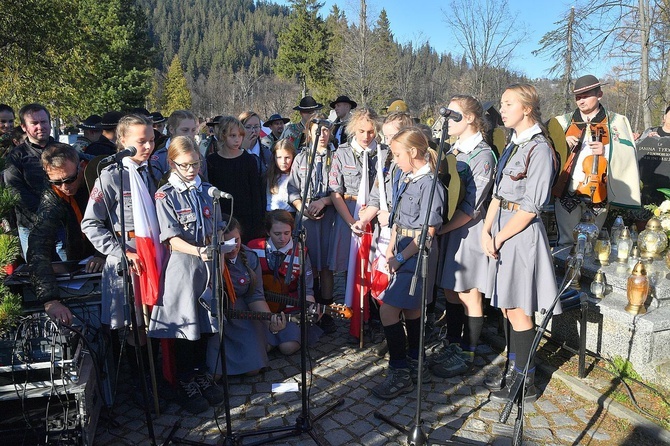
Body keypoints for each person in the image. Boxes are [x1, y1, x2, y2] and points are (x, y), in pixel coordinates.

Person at [481, 83, 558, 402]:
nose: (503, 109)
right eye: (502, 103)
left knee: (519, 309)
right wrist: (486, 230)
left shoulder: (539, 148)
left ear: (527, 108)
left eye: (508, 103)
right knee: (508, 307)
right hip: (500, 230)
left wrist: (498, 236)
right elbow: (498, 193)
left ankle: (525, 380)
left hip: (520, 234)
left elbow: (530, 207)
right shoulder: (513, 144)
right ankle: (515, 370)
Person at [81, 114, 161, 400]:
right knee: (135, 328)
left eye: (152, 140)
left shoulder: (152, 171)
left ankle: (158, 381)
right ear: (122, 141)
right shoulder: (111, 176)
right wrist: (119, 251)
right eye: (142, 141)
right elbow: (90, 223)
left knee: (154, 323)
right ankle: (141, 388)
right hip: (128, 265)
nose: (149, 146)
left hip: (154, 259)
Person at [148, 136, 224, 414]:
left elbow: (217, 224)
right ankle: (184, 381)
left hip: (208, 267)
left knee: (205, 322)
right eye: (185, 165)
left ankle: (201, 374)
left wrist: (221, 241)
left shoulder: (207, 190)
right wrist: (198, 250)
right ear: (172, 163)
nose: (192, 169)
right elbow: (170, 238)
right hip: (184, 268)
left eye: (196, 164)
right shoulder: (165, 195)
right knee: (185, 326)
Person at [370, 127, 444, 399]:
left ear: (413, 152)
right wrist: (391, 249)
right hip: (401, 249)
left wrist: (400, 258)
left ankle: (399, 371)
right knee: (412, 312)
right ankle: (416, 363)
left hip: (416, 257)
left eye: (398, 154)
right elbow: (399, 221)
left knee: (388, 312)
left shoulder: (431, 185)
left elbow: (428, 235)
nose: (395, 160)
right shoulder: (408, 178)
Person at [431, 95, 496, 379]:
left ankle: (468, 352)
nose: (447, 121)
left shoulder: (482, 155)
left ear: (470, 118)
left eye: (453, 115)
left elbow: (473, 206)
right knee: (449, 290)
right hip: (449, 230)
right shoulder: (452, 151)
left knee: (469, 292)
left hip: (468, 232)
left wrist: (441, 229)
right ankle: (453, 343)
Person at [553, 74, 641, 246]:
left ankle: (589, 273)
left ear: (599, 94)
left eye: (586, 96)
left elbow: (629, 152)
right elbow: (547, 149)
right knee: (567, 240)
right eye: (578, 97)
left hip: (599, 191)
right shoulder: (562, 122)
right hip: (566, 189)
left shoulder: (616, 122)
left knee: (592, 241)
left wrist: (607, 150)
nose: (581, 101)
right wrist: (561, 144)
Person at [27, 143, 105, 325]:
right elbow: (38, 244)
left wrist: (102, 253)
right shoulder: (52, 196)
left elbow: (118, 222)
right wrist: (50, 300)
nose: (65, 186)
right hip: (80, 252)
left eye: (70, 179)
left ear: (81, 167)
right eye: (57, 182)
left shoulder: (100, 176)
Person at [328, 108, 388, 341]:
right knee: (351, 268)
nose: (366, 136)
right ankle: (354, 317)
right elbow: (336, 191)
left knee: (375, 266)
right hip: (349, 214)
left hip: (375, 218)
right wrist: (352, 221)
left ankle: (374, 319)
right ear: (353, 129)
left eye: (371, 131)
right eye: (362, 131)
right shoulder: (342, 153)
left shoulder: (384, 153)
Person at [207, 216, 286, 377]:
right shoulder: (208, 259)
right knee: (215, 373)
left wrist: (269, 320)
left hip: (243, 314)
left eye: (236, 240)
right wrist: (219, 258)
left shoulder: (249, 257)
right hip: (218, 316)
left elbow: (256, 296)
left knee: (253, 370)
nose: (233, 247)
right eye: (226, 243)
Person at [288, 116, 337, 333]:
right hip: (306, 219)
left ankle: (326, 312)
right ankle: (311, 309)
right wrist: (302, 207)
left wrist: (324, 201)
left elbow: (341, 189)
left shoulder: (336, 156)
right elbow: (292, 189)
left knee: (326, 267)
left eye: (326, 131)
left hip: (329, 218)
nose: (323, 135)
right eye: (318, 131)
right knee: (309, 266)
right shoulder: (301, 159)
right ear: (309, 133)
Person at [248, 210, 321, 355]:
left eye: (287, 233)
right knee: (264, 347)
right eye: (277, 234)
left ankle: (287, 333)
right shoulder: (254, 248)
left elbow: (306, 289)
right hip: (262, 310)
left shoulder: (300, 252)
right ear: (268, 232)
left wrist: (311, 306)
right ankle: (271, 335)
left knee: (288, 348)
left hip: (289, 310)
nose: (283, 238)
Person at [4, 103, 55, 259]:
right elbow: (14, 190)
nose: (40, 126)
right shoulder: (15, 157)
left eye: (44, 122)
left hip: (60, 226)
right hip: (29, 225)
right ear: (24, 127)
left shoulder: (64, 150)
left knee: (68, 275)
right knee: (35, 272)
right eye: (34, 123)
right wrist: (40, 215)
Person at [206, 116, 264, 242]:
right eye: (232, 136)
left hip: (247, 218)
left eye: (240, 136)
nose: (237, 140)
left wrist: (258, 222)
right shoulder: (212, 161)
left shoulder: (249, 160)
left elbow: (256, 192)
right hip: (222, 217)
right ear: (223, 135)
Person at [266, 138, 296, 213]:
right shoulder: (269, 175)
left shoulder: (296, 176)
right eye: (279, 157)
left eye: (287, 157)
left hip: (290, 215)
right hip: (271, 215)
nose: (283, 161)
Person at [239, 111, 272, 177]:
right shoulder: (233, 150)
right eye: (248, 127)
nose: (253, 131)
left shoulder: (267, 153)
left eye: (256, 127)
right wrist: (243, 150)